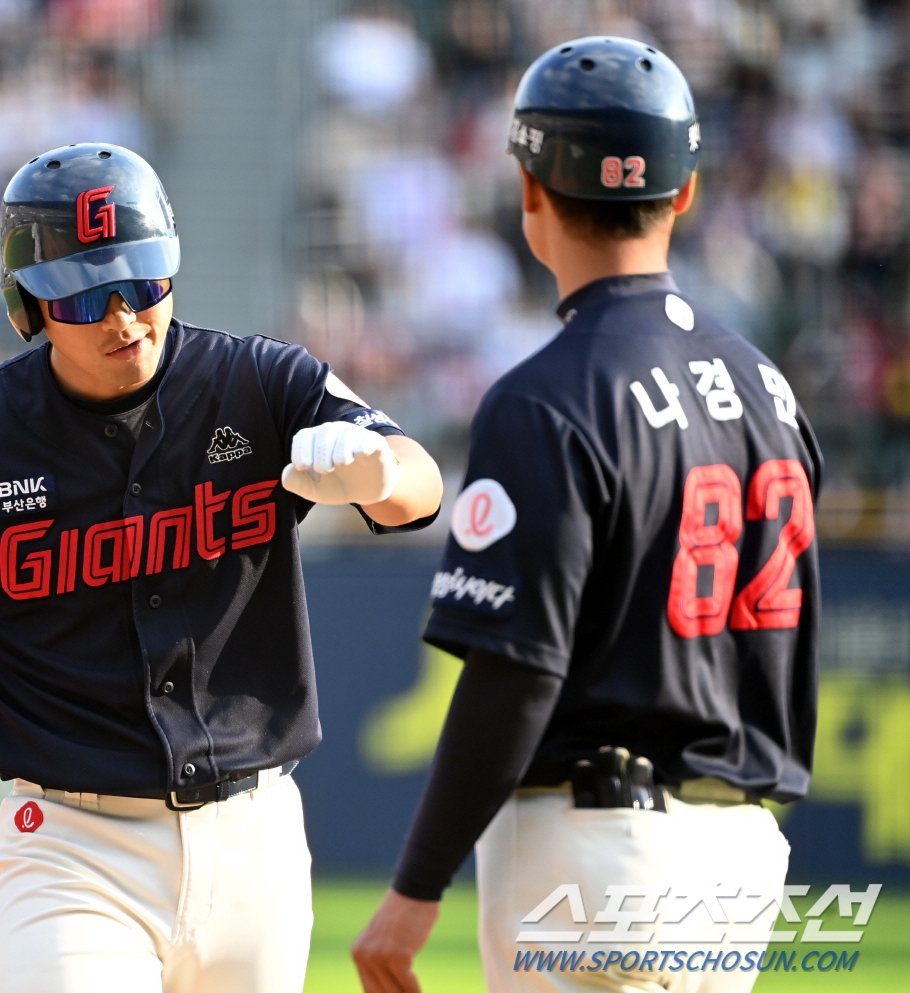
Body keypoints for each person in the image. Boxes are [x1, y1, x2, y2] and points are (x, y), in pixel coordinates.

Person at [0, 142, 443, 992]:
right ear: (28, 304)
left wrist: (381, 473)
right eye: (84, 294)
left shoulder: (261, 381)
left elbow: (419, 486)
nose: (124, 316)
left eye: (144, 283)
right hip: (72, 846)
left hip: (257, 841)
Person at [352, 37, 820, 993]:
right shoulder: (769, 388)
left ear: (531, 189)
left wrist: (415, 885)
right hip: (740, 859)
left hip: (600, 849)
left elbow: (518, 668)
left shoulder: (546, 396)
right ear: (685, 193)